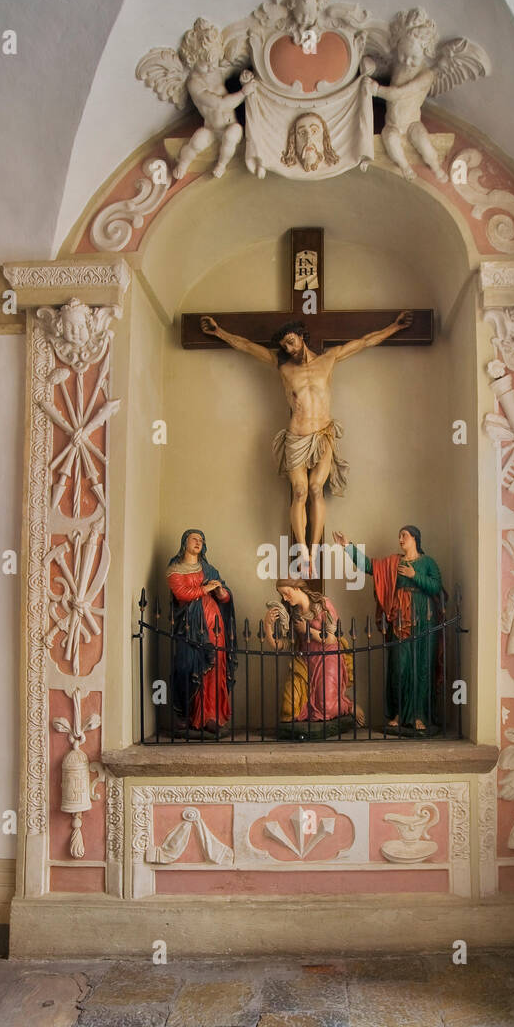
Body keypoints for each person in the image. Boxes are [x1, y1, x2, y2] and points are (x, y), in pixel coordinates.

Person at [199, 310, 413, 561]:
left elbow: (364, 342)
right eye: (284, 346)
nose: (288, 349)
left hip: (323, 434)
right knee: (299, 491)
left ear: (301, 336)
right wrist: (219, 332)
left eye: (290, 342)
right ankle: (302, 549)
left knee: (315, 489)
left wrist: (394, 328)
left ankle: (314, 548)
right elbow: (246, 346)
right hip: (296, 436)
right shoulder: (283, 366)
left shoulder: (329, 359)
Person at [334, 525, 446, 732]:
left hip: (424, 619)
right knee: (399, 667)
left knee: (422, 667)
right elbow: (370, 566)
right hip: (400, 619)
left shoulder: (428, 562)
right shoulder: (393, 562)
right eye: (399, 536)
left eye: (404, 535)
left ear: (415, 538)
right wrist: (347, 547)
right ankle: (399, 713)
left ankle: (420, 715)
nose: (400, 539)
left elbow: (436, 587)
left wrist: (414, 576)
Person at [263, 577, 364, 727]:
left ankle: (348, 706)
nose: (284, 598)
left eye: (286, 593)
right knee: (288, 710)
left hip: (328, 658)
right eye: (282, 594)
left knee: (326, 707)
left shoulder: (322, 604)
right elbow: (283, 645)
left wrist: (307, 631)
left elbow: (332, 638)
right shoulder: (295, 613)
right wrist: (267, 626)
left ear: (297, 588)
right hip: (305, 661)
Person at [167, 529, 236, 732]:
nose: (198, 542)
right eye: (194, 538)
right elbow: (181, 593)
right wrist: (204, 589)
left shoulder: (209, 569)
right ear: (184, 542)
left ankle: (211, 715)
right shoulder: (175, 568)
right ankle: (188, 715)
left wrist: (221, 592)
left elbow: (225, 598)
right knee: (185, 666)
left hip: (214, 626)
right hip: (188, 626)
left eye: (201, 540)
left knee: (215, 667)